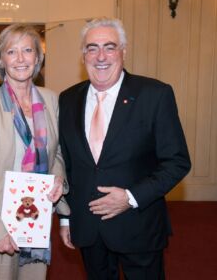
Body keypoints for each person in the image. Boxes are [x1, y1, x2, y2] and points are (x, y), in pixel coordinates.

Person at [58, 17, 191, 280]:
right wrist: (65, 218)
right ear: (83, 55)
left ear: (124, 52)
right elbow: (68, 164)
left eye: (110, 47)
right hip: (88, 227)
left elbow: (177, 162)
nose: (101, 56)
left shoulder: (155, 94)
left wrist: (130, 197)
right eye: (92, 48)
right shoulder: (68, 99)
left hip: (138, 225)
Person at [0, 24, 69, 280]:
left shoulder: (51, 100)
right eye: (12, 52)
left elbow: (56, 154)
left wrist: (57, 178)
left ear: (37, 57)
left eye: (28, 50)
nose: (21, 59)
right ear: (1, 59)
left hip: (36, 219)